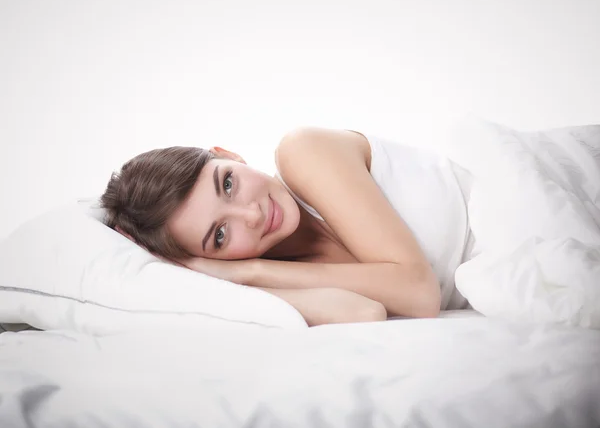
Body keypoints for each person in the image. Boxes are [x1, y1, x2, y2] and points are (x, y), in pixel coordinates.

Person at [101, 128, 474, 326]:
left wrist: (251, 268)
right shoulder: (284, 276)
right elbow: (365, 313)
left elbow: (420, 294)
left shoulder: (303, 152)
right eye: (219, 235)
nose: (252, 215)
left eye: (228, 183)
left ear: (228, 155)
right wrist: (244, 278)